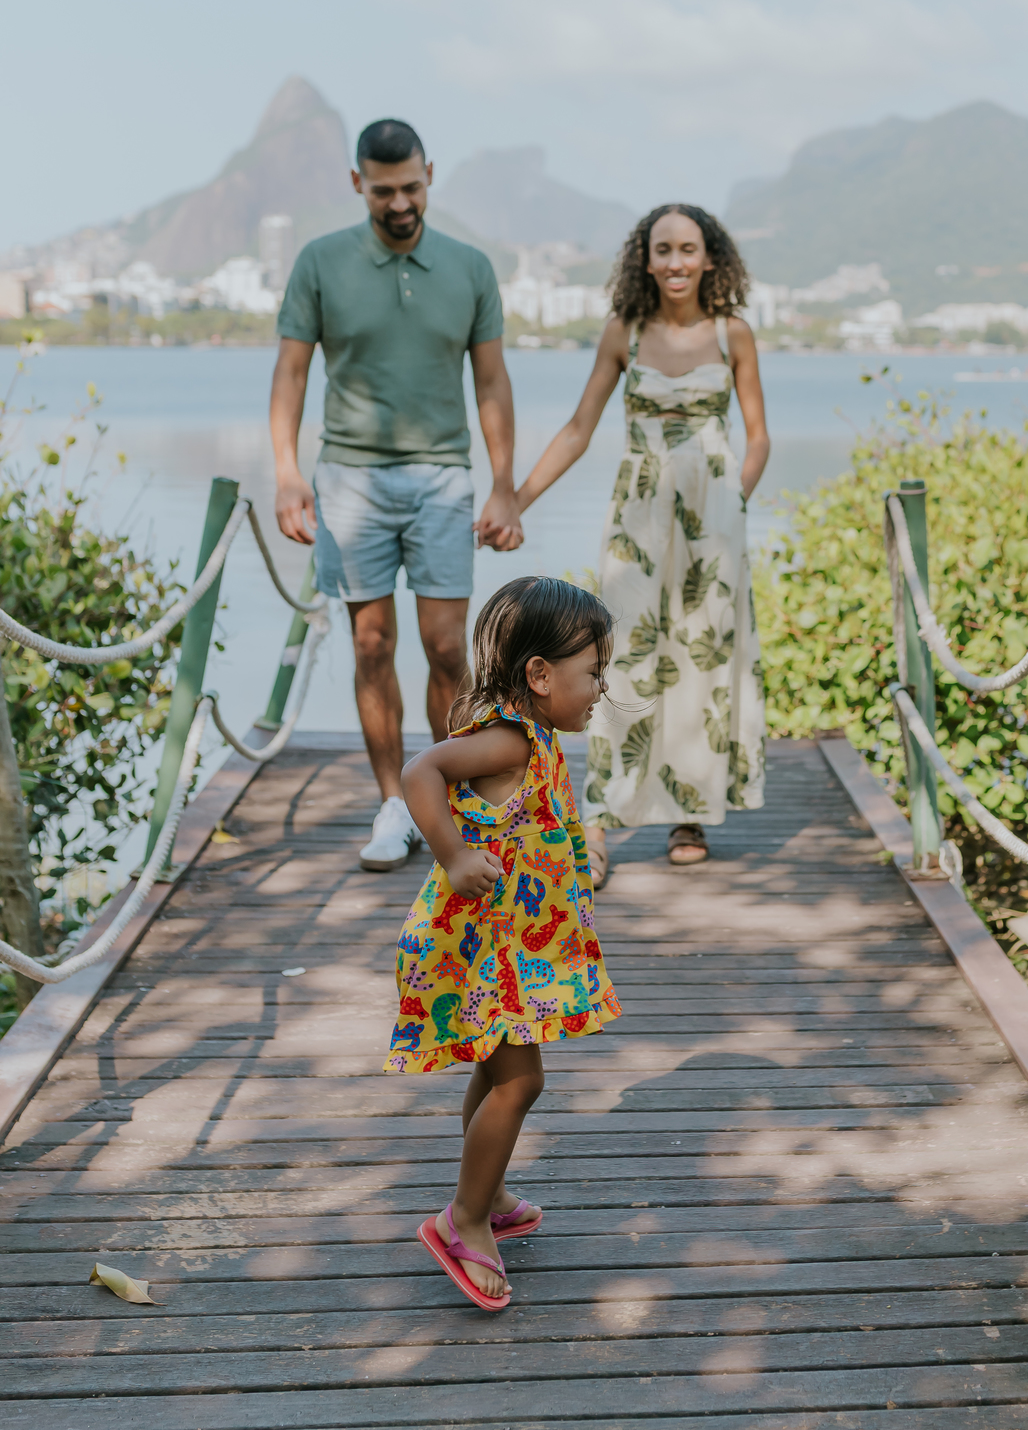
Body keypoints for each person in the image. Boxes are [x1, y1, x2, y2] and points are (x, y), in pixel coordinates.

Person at [271, 118, 523, 874]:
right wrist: (287, 475)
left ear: (429, 175)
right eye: (383, 190)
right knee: (371, 642)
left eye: (411, 186)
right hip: (350, 477)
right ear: (358, 185)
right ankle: (392, 802)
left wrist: (505, 484)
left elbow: (491, 381)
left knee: (448, 646)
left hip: (444, 477)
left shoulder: (471, 268)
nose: (400, 202)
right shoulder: (320, 262)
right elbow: (290, 375)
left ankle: (444, 800)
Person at [514, 204, 769, 883]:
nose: (677, 261)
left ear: (710, 257)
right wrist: (515, 499)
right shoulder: (621, 333)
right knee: (616, 655)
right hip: (638, 516)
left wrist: (736, 498)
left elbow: (758, 434)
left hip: (714, 522)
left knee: (702, 660)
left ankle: (690, 811)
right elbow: (577, 429)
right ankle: (597, 822)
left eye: (689, 249)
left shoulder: (733, 333)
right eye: (664, 249)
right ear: (645, 259)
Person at [388, 576, 621, 1310]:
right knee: (523, 1082)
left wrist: (579, 854)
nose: (600, 689)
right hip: (486, 946)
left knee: (496, 1074)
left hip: (514, 943)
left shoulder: (539, 736)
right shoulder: (504, 738)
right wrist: (453, 854)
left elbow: (535, 822)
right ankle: (461, 1220)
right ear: (540, 675)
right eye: (591, 674)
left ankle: (481, 1195)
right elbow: (418, 770)